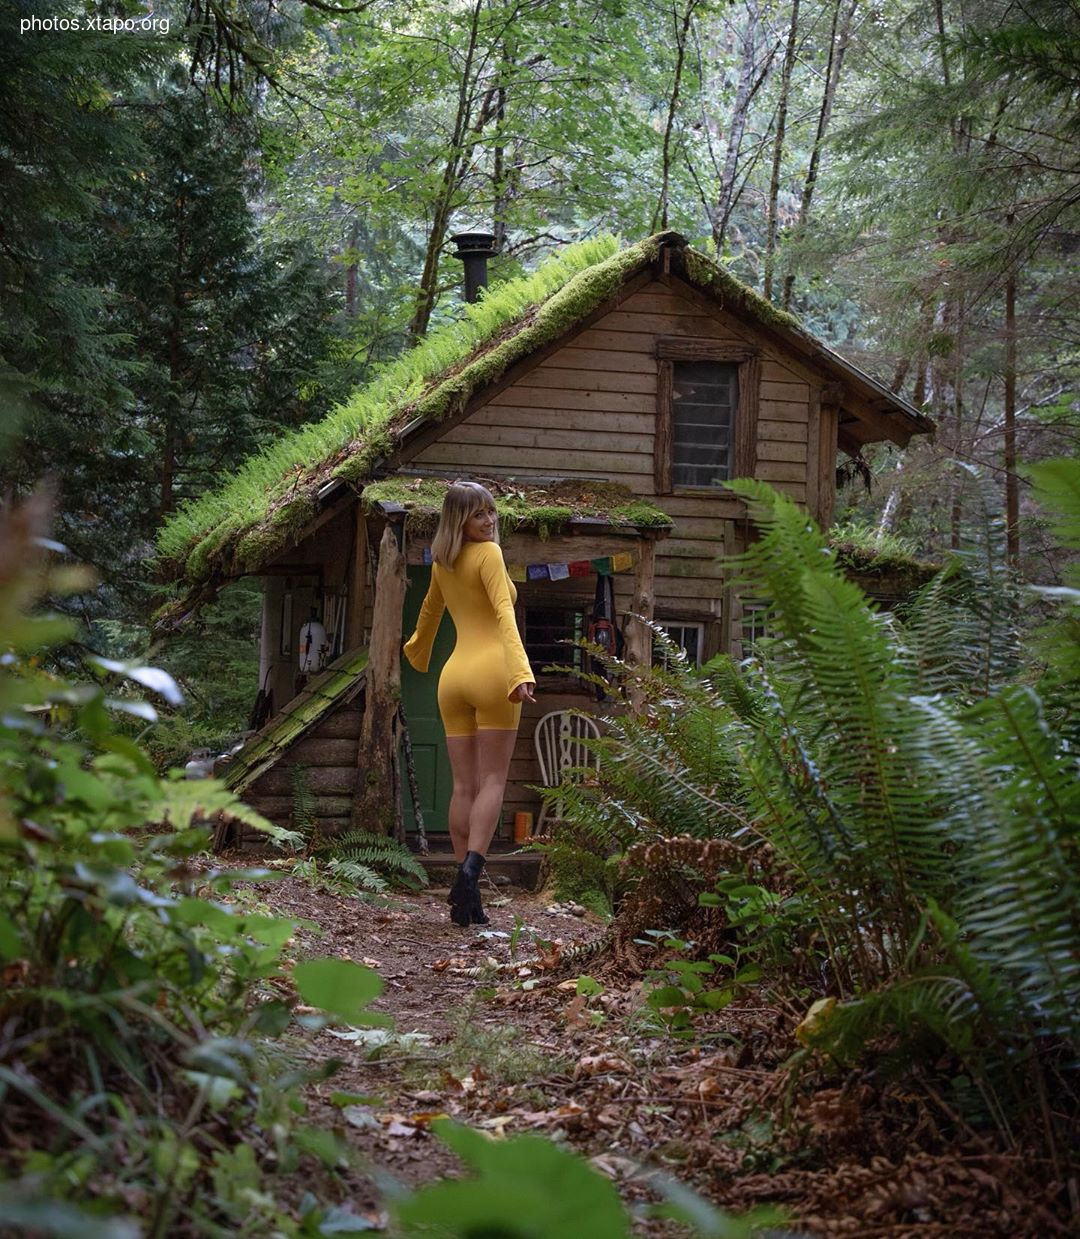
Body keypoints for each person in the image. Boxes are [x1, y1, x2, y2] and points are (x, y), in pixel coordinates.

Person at [403, 482, 536, 926]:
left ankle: (467, 898)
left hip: (453, 677)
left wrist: (417, 651)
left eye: (492, 512)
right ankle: (472, 870)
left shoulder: (443, 563)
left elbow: (429, 615)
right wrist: (520, 673)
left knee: (463, 788)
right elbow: (504, 614)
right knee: (493, 779)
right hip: (493, 673)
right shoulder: (490, 556)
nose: (490, 520)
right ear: (460, 520)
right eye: (480, 515)